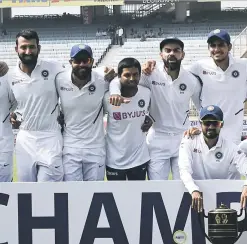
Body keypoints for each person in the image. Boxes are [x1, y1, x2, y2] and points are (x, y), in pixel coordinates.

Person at [142, 29, 247, 144]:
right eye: (213, 46)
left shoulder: (244, 65)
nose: (217, 49)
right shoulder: (199, 66)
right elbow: (174, 68)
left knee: (232, 178)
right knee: (205, 176)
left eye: (221, 45)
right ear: (208, 49)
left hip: (232, 130)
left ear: (229, 47)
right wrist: (152, 64)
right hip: (208, 128)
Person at [8, 29, 115, 182]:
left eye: (32, 47)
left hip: (51, 136)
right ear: (16, 49)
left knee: (49, 187)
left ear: (39, 48)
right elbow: (11, 103)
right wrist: (13, 114)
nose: (28, 51)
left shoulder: (54, 68)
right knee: (26, 189)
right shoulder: (10, 76)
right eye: (24, 47)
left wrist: (109, 72)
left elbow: (84, 72)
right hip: (25, 137)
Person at [109, 37, 202, 180]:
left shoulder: (191, 80)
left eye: (176, 50)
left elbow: (202, 107)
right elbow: (122, 79)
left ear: (182, 55)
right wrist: (115, 92)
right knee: (157, 188)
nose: (172, 53)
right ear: (161, 55)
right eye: (167, 50)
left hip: (182, 139)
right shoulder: (150, 74)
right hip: (157, 138)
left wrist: (201, 130)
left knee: (183, 185)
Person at [178, 105, 247, 212]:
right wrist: (194, 190)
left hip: (225, 202)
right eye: (207, 123)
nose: (211, 127)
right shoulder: (189, 141)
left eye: (215, 123)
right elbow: (184, 170)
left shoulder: (231, 148)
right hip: (197, 197)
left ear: (221, 124)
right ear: (200, 123)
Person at [56, 44, 109, 181]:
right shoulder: (59, 80)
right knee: (73, 195)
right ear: (70, 62)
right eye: (77, 61)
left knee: (95, 194)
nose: (82, 64)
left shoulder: (103, 80)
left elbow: (120, 80)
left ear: (92, 61)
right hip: (70, 147)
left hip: (96, 148)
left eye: (86, 60)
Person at [105, 58, 151, 181]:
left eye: (135, 74)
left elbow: (158, 110)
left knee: (138, 199)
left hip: (139, 159)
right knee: (115, 198)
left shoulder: (146, 93)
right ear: (119, 76)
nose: (132, 78)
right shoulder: (107, 97)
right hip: (114, 160)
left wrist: (151, 119)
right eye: (127, 75)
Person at [0, 73, 17, 182]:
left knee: (5, 187)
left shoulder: (5, 81)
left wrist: (9, 114)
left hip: (3, 142)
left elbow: (15, 103)